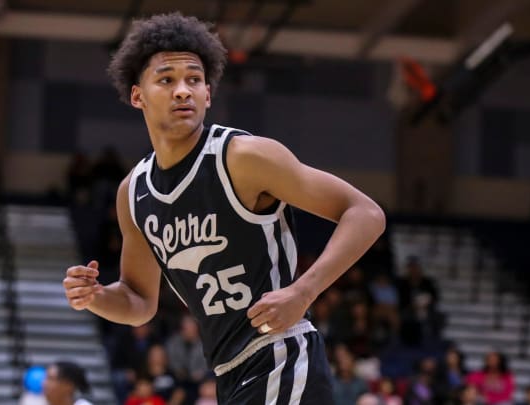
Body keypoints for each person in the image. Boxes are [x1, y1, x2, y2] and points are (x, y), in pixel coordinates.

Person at [63, 12, 386, 404]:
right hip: (228, 373)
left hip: (281, 358)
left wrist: (303, 291)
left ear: (208, 94)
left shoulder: (244, 157)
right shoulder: (134, 192)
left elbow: (365, 213)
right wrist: (94, 296)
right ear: (137, 95)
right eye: (167, 79)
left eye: (194, 80)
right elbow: (139, 302)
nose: (183, 90)